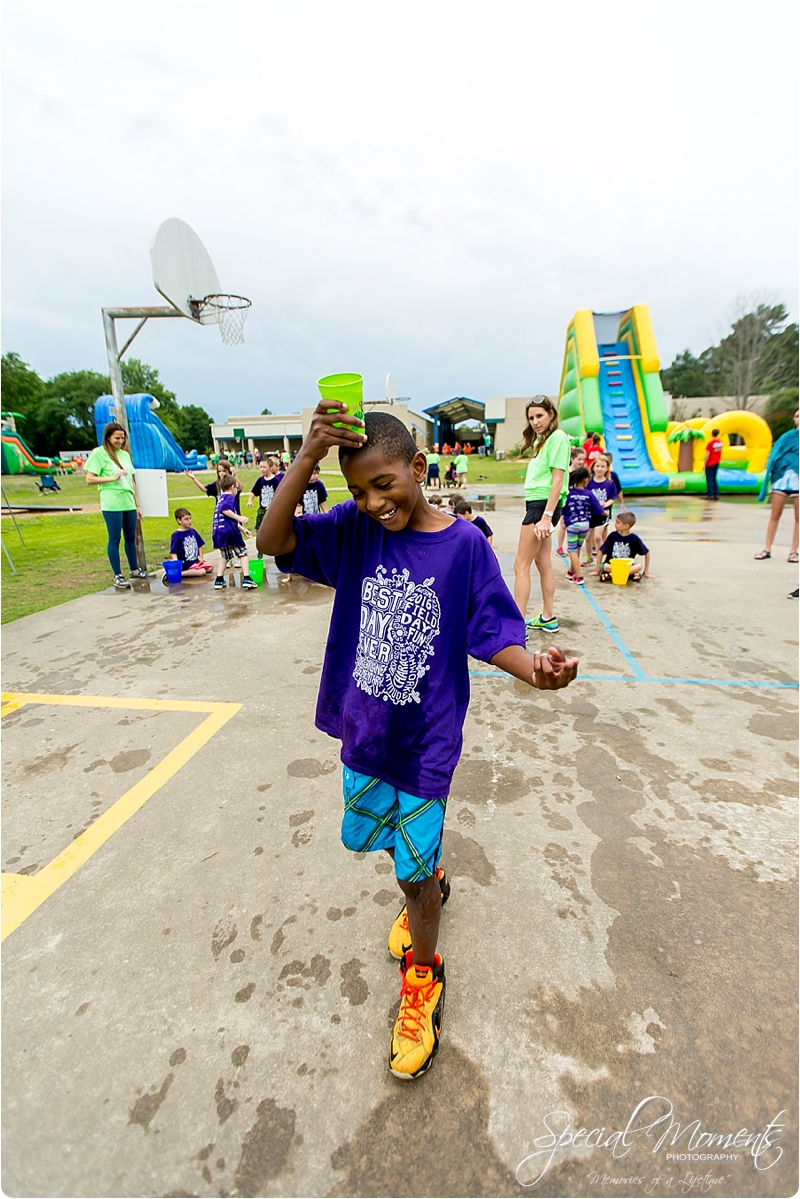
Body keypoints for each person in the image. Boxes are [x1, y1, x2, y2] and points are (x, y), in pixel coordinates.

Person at [257, 406, 578, 1081]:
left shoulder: (462, 547)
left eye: (385, 483)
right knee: (395, 852)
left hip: (425, 744)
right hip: (366, 734)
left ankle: (424, 977)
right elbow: (270, 539)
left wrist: (536, 674)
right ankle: (427, 881)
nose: (374, 502)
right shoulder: (352, 530)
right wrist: (309, 455)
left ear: (419, 469)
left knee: (409, 874)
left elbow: (494, 632)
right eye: (359, 490)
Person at [513, 396, 570, 633]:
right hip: (540, 506)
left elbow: (558, 480)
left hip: (541, 507)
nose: (535, 421)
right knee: (542, 562)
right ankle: (548, 617)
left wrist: (546, 516)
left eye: (540, 416)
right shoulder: (544, 441)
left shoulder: (557, 438)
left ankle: (516, 626)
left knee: (520, 565)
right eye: (531, 418)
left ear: (551, 415)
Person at [85, 422, 148, 589]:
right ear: (108, 437)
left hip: (128, 501)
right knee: (114, 538)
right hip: (112, 502)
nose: (120, 441)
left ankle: (134, 569)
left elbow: (132, 481)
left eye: (122, 438)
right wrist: (112, 477)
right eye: (117, 438)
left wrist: (138, 504)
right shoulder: (99, 454)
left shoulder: (124, 455)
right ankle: (117, 574)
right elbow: (89, 478)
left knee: (130, 537)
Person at [755, 409, 799, 562]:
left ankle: (793, 551)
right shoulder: (787, 437)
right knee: (775, 514)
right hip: (782, 479)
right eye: (797, 416)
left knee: (798, 517)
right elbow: (775, 454)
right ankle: (767, 548)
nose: (799, 418)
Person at [560, 466, 606, 584]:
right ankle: (571, 570)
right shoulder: (589, 494)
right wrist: (605, 513)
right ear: (586, 480)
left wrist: (563, 520)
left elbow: (562, 508)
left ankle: (579, 576)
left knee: (572, 550)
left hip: (572, 525)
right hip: (585, 525)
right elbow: (598, 510)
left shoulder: (568, 494)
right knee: (577, 548)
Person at [212, 474, 258, 590]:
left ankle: (219, 579)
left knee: (225, 555)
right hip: (229, 531)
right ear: (232, 487)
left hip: (219, 531)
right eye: (237, 488)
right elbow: (225, 510)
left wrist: (242, 529)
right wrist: (240, 518)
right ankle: (247, 578)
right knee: (243, 553)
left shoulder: (220, 498)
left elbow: (226, 518)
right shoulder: (229, 498)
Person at [594, 512, 653, 581]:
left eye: (618, 523)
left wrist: (646, 571)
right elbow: (601, 551)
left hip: (626, 566)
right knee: (605, 566)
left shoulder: (634, 538)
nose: (615, 524)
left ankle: (613, 575)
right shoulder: (613, 536)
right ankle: (627, 575)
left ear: (626, 526)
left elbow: (647, 553)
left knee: (639, 566)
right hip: (612, 566)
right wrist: (597, 569)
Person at [584, 455, 618, 565]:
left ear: (607, 468)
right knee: (588, 538)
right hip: (590, 513)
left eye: (602, 466)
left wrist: (606, 504)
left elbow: (613, 497)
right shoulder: (588, 482)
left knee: (598, 537)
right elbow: (585, 495)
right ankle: (589, 557)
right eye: (597, 466)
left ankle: (601, 560)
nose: (599, 469)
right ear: (593, 467)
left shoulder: (610, 482)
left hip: (603, 513)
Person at [247, 456, 284, 552]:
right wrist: (250, 500)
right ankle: (261, 547)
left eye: (264, 467)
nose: (262, 469)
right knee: (258, 528)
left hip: (273, 509)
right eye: (260, 467)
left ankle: (276, 546)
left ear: (270, 467)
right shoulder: (260, 481)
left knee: (274, 528)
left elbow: (280, 495)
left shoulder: (276, 480)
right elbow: (253, 492)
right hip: (262, 508)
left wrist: (272, 505)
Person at [556, 447, 586, 558]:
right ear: (572, 459)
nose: (581, 462)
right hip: (566, 502)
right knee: (563, 525)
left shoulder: (583, 473)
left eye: (583, 460)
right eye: (579, 459)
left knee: (575, 526)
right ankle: (560, 547)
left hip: (578, 504)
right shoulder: (566, 472)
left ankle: (572, 546)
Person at [169, 509, 213, 574]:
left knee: (210, 568)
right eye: (186, 519)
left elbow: (199, 545)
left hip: (195, 561)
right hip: (185, 563)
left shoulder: (193, 531)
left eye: (190, 518)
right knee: (202, 572)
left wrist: (201, 557)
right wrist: (176, 562)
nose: (189, 521)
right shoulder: (176, 535)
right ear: (179, 520)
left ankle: (193, 571)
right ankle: (179, 574)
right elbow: (173, 552)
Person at [704, 428, 725, 501]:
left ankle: (710, 494)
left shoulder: (711, 443)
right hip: (717, 462)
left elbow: (707, 455)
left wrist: (704, 464)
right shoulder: (720, 443)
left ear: (711, 434)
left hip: (710, 463)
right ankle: (716, 494)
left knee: (709, 479)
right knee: (714, 478)